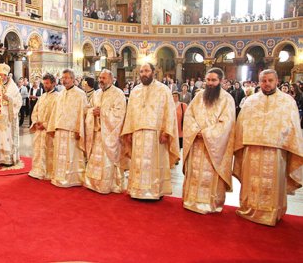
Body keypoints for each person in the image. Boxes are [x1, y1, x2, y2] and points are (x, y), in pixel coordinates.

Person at [233, 69, 303, 226]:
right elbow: (241, 125)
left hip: (276, 151)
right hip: (252, 150)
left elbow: (293, 127)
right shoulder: (250, 101)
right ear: (259, 82)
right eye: (263, 81)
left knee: (272, 183)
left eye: (270, 80)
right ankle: (248, 208)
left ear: (276, 81)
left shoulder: (287, 101)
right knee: (252, 182)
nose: (267, 84)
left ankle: (272, 213)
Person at [121, 63, 180, 200]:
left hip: (156, 134)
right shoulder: (135, 90)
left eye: (147, 71)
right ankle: (136, 190)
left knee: (154, 164)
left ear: (153, 72)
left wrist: (166, 131)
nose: (144, 74)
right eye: (141, 71)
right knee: (138, 163)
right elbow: (130, 112)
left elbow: (169, 112)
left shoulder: (163, 90)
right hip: (138, 133)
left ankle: (155, 191)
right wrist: (129, 131)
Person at [182, 68, 236, 214]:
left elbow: (227, 123)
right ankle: (191, 200)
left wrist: (206, 133)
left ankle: (211, 203)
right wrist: (195, 131)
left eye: (214, 80)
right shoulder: (198, 97)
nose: (210, 83)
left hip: (214, 147)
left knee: (210, 175)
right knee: (194, 172)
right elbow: (189, 116)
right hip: (196, 143)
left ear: (221, 81)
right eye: (208, 80)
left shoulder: (227, 99)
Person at [84, 69, 127, 194]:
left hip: (110, 134)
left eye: (104, 78)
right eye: (100, 78)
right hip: (97, 133)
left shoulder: (118, 94)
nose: (101, 80)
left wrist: (101, 112)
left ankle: (109, 185)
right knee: (95, 160)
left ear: (111, 79)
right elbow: (88, 108)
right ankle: (92, 183)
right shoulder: (96, 93)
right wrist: (93, 112)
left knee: (107, 161)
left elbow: (119, 114)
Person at [47, 69, 89, 187]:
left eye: (66, 78)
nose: (64, 80)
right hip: (60, 129)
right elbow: (55, 112)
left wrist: (80, 129)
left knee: (71, 156)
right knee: (60, 155)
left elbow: (83, 112)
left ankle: (73, 179)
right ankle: (59, 177)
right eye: (62, 78)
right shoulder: (60, 94)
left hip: (72, 130)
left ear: (73, 79)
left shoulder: (80, 94)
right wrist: (53, 127)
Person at [29, 73, 58, 179]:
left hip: (49, 130)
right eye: (44, 83)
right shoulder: (42, 97)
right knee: (38, 150)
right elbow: (35, 111)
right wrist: (36, 122)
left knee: (48, 151)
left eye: (47, 83)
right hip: (39, 129)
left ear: (53, 83)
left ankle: (48, 171)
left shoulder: (57, 97)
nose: (45, 85)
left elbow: (56, 114)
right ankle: (37, 170)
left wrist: (45, 125)